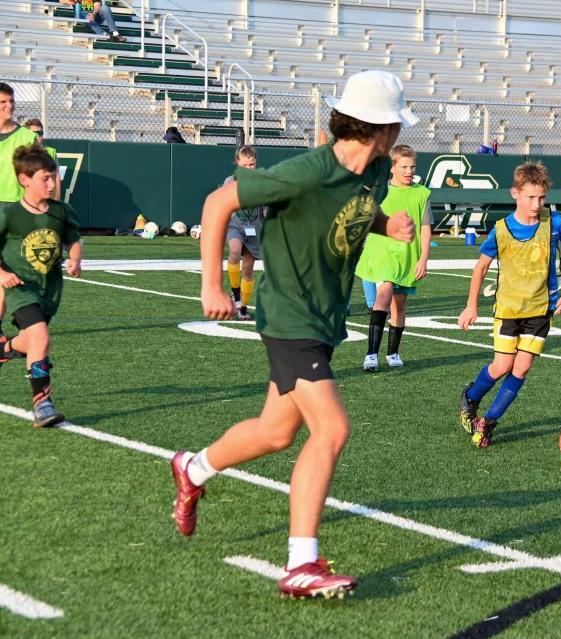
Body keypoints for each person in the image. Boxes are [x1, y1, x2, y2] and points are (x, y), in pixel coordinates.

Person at [169, 70, 418, 599]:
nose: (400, 131)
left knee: (275, 432)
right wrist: (211, 284)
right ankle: (301, 562)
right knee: (331, 429)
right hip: (289, 317)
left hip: (324, 319)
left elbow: (356, 213)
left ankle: (193, 467)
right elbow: (218, 203)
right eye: (396, 123)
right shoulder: (307, 171)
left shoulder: (375, 170)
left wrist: (386, 225)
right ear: (381, 127)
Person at [457, 162, 561, 448]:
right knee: (503, 365)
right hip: (508, 310)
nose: (537, 204)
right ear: (515, 193)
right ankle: (470, 398)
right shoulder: (501, 230)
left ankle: (488, 423)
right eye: (530, 197)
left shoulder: (555, 223)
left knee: (522, 367)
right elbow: (481, 267)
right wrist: (471, 306)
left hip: (540, 310)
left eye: (542, 198)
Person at [0, 143, 82, 428]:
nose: (52, 183)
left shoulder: (62, 211)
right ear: (24, 180)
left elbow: (74, 240)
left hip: (49, 289)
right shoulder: (9, 214)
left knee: (31, 340)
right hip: (20, 288)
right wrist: (1, 274)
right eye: (44, 178)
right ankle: (42, 404)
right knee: (41, 338)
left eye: (53, 177)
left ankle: (6, 348)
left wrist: (75, 259)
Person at [356, 144, 432, 370]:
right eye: (404, 167)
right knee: (384, 294)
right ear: (392, 167)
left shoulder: (422, 193)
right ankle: (371, 355)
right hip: (382, 252)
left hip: (407, 255)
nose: (409, 171)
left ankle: (393, 352)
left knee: (400, 304)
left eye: (412, 167)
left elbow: (425, 228)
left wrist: (423, 258)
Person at [0, 83, 39, 348]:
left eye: (11, 101)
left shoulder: (26, 137)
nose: (9, 106)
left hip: (15, 213)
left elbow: (38, 175)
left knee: (9, 275)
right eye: (3, 102)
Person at [223, 145, 265, 320]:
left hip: (254, 227)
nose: (248, 168)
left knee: (248, 268)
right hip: (235, 225)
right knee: (234, 250)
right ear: (237, 163)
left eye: (252, 164)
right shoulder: (230, 181)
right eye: (244, 165)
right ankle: (236, 295)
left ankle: (243, 308)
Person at [22, 118, 60, 200]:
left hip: (45, 197)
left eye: (40, 133)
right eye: (35, 133)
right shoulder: (22, 152)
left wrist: (57, 196)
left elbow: (56, 175)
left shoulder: (51, 152)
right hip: (25, 196)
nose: (38, 136)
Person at [60, 0, 127, 42]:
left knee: (105, 8)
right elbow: (61, 1)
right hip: (82, 17)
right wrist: (69, 2)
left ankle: (115, 33)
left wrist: (93, 14)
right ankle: (105, 34)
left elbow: (97, 4)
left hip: (95, 15)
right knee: (87, 15)